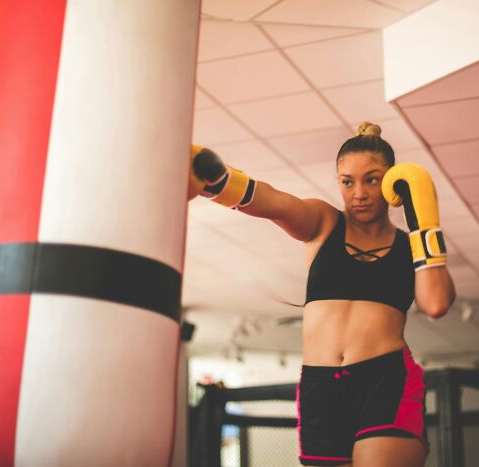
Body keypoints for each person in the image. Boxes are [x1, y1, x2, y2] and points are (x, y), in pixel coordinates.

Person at [189, 122, 456, 467]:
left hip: (385, 381)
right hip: (320, 389)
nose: (358, 192)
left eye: (372, 179)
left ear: (392, 183)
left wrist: (422, 219)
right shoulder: (324, 222)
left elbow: (436, 304)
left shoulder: (409, 247)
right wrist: (216, 178)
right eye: (347, 181)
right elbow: (276, 203)